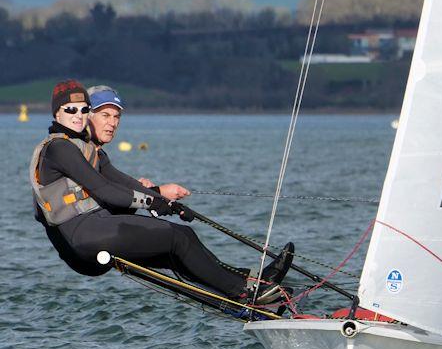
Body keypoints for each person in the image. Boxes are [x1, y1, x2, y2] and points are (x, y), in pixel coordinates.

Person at [30, 79, 292, 304]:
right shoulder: (59, 148)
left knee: (175, 249)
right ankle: (244, 291)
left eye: (83, 109)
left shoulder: (88, 151)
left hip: (92, 232)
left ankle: (246, 285)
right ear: (57, 114)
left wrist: (165, 201)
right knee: (180, 238)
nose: (79, 114)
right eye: (72, 110)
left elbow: (122, 182)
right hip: (83, 240)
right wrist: (152, 202)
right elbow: (106, 190)